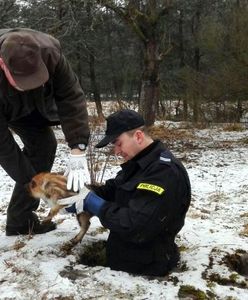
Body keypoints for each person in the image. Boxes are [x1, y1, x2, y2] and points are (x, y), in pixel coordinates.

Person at [59, 109, 191, 277]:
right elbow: (114, 190)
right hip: (124, 259)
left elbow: (135, 225)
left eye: (118, 143)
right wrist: (80, 194)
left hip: (147, 270)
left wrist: (94, 203)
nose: (116, 151)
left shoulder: (163, 172)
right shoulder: (139, 163)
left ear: (138, 136)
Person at [0, 28, 90, 236]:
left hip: (32, 108)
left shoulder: (51, 53)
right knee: (22, 168)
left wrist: (78, 147)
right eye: (23, 80)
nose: (29, 85)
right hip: (5, 106)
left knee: (45, 145)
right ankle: (23, 214)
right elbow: (3, 146)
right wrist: (36, 183)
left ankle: (21, 221)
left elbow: (71, 97)